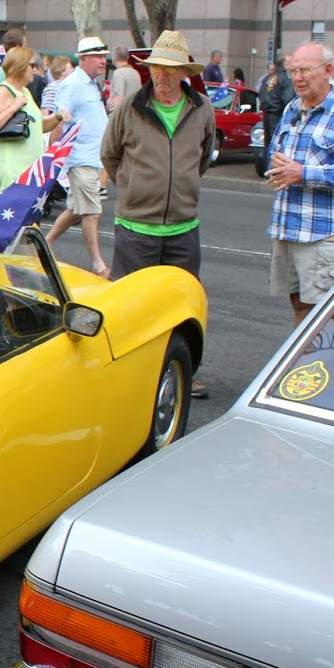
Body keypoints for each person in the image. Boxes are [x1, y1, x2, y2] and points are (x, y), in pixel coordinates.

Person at [101, 29, 216, 396]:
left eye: (170, 69)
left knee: (182, 307)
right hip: (136, 227)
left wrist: (181, 189)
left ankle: (184, 369)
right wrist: (134, 188)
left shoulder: (202, 109)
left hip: (183, 227)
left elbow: (203, 156)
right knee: (131, 306)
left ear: (185, 72)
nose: (162, 76)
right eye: (156, 69)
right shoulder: (132, 107)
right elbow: (110, 154)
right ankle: (128, 373)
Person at [265, 42, 334, 325]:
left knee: (321, 316)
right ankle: (303, 366)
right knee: (299, 305)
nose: (297, 77)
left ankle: (317, 367)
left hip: (324, 235)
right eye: (292, 71)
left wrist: (303, 173)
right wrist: (275, 164)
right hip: (289, 228)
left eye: (305, 70)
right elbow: (274, 153)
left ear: (327, 71)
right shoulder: (291, 108)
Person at [44, 38, 113, 278]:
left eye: (104, 55)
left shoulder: (94, 84)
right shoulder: (72, 84)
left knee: (75, 208)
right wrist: (52, 155)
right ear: (83, 58)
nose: (103, 60)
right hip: (80, 156)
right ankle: (98, 265)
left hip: (96, 157)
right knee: (92, 211)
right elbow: (59, 120)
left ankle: (46, 243)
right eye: (97, 56)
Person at [0, 46, 45, 194]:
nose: (35, 70)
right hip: (10, 172)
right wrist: (13, 107)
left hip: (27, 170)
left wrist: (58, 118)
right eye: (32, 65)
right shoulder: (3, 91)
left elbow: (36, 125)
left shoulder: (25, 91)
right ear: (20, 66)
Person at [256, 56, 296, 168]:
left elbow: (261, 94)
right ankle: (274, 169)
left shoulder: (267, 78)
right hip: (278, 114)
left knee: (268, 144)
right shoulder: (286, 79)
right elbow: (288, 98)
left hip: (266, 114)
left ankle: (266, 169)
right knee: (278, 144)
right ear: (285, 65)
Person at [108, 46, 142, 110]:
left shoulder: (118, 73)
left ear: (114, 58)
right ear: (128, 57)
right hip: (134, 112)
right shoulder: (136, 73)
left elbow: (119, 98)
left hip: (123, 113)